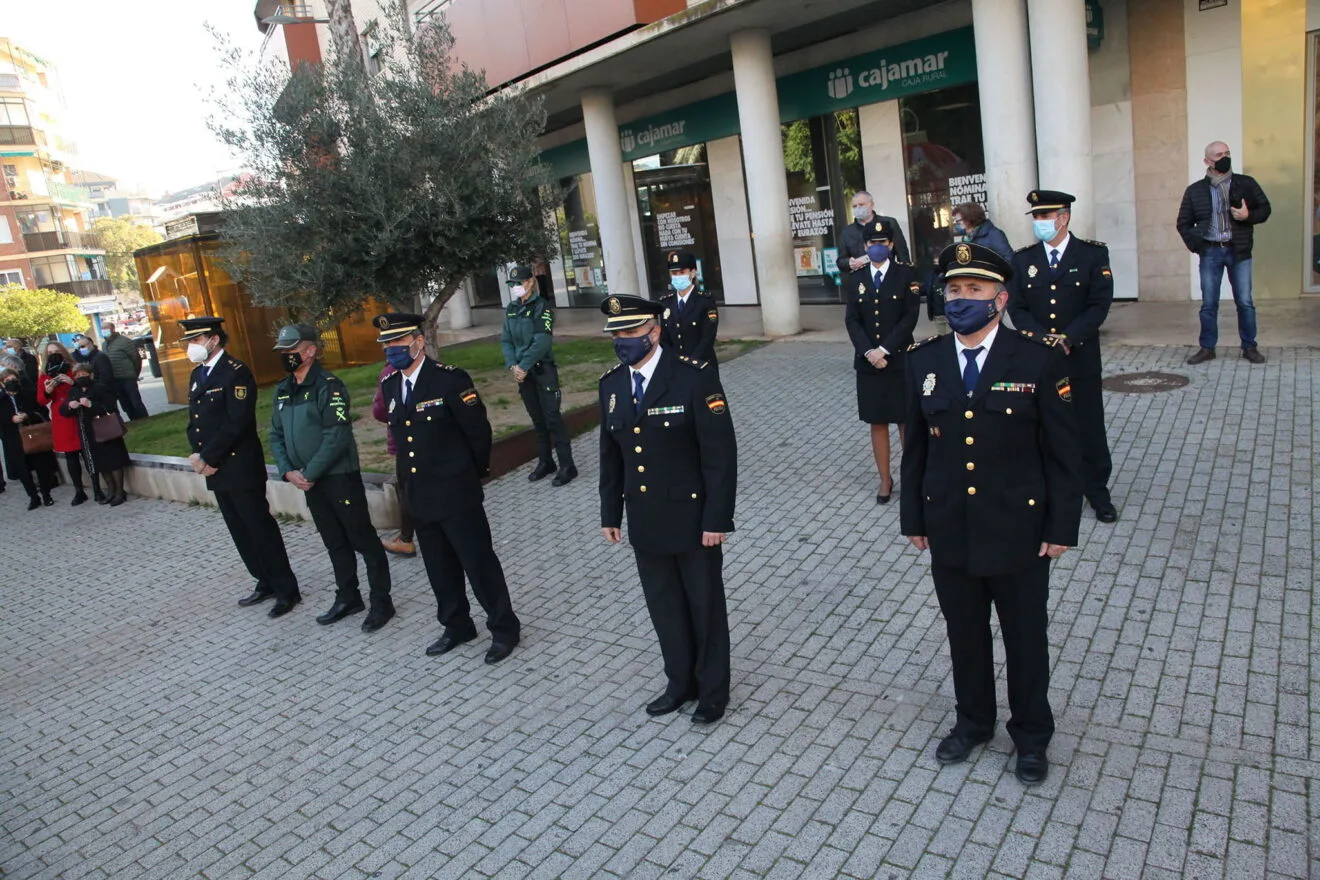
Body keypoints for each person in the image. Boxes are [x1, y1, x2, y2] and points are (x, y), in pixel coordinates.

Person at [901, 241, 1083, 786]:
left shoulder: (1038, 358)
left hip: (1019, 530)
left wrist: (1061, 527)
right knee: (964, 633)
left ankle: (1030, 735)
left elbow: (1063, 454)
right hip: (951, 523)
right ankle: (974, 721)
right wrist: (914, 518)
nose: (960, 299)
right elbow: (917, 451)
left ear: (999, 299)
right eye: (954, 290)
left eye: (973, 291)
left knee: (1026, 637)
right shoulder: (924, 361)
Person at [598, 295, 738, 725]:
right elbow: (612, 455)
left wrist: (717, 519)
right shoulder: (612, 385)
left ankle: (713, 691)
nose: (624, 341)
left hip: (694, 520)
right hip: (646, 518)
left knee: (704, 606)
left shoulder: (694, 378)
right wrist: (610, 513)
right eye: (617, 334)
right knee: (665, 608)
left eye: (631, 333)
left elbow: (720, 456)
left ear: (654, 332)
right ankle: (680, 683)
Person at [376, 312, 521, 664]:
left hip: (456, 493)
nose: (392, 349)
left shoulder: (450, 380)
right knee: (439, 568)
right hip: (420, 495)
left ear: (418, 341)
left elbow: (478, 433)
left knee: (479, 564)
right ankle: (457, 625)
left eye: (398, 342)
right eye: (387, 344)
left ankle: (504, 628)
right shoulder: (391, 385)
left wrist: (469, 476)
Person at [269, 323, 394, 631]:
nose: (286, 356)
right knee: (334, 541)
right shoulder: (283, 390)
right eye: (283, 351)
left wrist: (308, 473)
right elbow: (275, 434)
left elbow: (336, 436)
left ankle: (382, 602)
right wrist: (288, 471)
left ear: (310, 351)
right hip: (307, 480)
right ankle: (348, 597)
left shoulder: (329, 385)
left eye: (292, 350)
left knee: (362, 539)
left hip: (338, 477)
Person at [1007, 189, 1117, 523]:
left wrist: (1068, 337)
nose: (1039, 223)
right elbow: (1017, 306)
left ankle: (1096, 491)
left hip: (1078, 356)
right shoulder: (1023, 260)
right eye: (1036, 217)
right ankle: (1048, 491)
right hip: (1041, 359)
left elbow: (1099, 304)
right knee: (1044, 426)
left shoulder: (1091, 255)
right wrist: (1042, 340)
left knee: (1088, 426)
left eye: (1044, 216)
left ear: (1063, 217)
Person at [180, 316, 301, 618]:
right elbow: (196, 421)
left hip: (238, 465)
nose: (190, 347)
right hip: (215, 467)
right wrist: (199, 455)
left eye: (195, 341)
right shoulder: (198, 374)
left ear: (214, 340)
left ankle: (286, 589)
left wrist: (208, 456)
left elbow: (237, 422)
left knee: (259, 527)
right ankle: (264, 580)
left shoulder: (236, 373)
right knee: (238, 529)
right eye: (189, 342)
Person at [845, 216, 922, 504]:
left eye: (882, 242)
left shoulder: (906, 275)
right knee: (877, 422)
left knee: (905, 422)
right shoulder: (856, 278)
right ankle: (884, 479)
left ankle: (910, 478)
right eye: (872, 243)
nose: (877, 247)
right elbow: (852, 321)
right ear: (866, 246)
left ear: (890, 244)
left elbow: (909, 318)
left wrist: (884, 350)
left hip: (899, 359)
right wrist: (868, 352)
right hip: (868, 364)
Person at [1177, 141, 1272, 365]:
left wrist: (1248, 216)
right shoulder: (1195, 191)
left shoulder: (1246, 183)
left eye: (1227, 153)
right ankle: (1207, 348)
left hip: (1238, 251)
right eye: (1219, 154)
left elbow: (1265, 209)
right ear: (1207, 161)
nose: (1225, 157)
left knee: (1245, 301)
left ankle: (1250, 347)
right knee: (1209, 303)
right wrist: (1197, 245)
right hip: (1210, 252)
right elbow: (1183, 223)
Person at [501, 265, 577, 486]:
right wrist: (512, 366)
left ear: (531, 282)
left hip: (542, 371)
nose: (516, 287)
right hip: (523, 374)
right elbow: (506, 340)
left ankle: (567, 465)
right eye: (512, 284)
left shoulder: (541, 307)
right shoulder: (512, 308)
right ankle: (546, 461)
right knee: (537, 420)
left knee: (552, 417)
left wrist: (523, 365)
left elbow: (542, 341)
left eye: (520, 282)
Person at [60, 362, 131, 506]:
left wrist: (91, 405)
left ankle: (119, 491)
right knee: (100, 463)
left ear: (91, 375)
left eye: (83, 374)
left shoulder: (100, 388)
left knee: (114, 460)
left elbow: (110, 407)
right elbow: (63, 411)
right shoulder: (74, 391)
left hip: (105, 429)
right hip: (88, 433)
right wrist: (69, 406)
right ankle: (110, 490)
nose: (80, 377)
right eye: (77, 375)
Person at [38, 341, 100, 505]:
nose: (53, 355)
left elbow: (86, 386)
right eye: (50, 352)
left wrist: (71, 382)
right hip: (62, 417)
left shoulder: (73, 368)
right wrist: (48, 390)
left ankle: (97, 488)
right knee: (70, 457)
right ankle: (79, 491)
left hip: (78, 413)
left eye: (56, 351)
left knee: (87, 453)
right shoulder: (44, 374)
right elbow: (41, 400)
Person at [371, 361, 416, 557]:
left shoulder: (389, 372)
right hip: (431, 443)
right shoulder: (433, 367)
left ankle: (406, 539)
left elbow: (380, 410)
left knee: (407, 491)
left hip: (404, 444)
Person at [0, 367, 57, 509]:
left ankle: (46, 494)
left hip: (33, 436)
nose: (11, 382)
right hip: (13, 439)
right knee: (23, 470)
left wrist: (27, 415)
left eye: (13, 379)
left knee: (41, 466)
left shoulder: (29, 394)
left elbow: (42, 411)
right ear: (2, 383)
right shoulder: (1, 400)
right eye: (7, 380)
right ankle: (33, 497)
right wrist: (10, 418)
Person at [658, 251, 719, 368]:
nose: (677, 276)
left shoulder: (705, 300)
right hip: (676, 366)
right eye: (674, 273)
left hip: (701, 365)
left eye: (682, 272)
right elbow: (664, 339)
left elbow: (708, 337)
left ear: (692, 272)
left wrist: (690, 363)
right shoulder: (666, 302)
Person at [837, 190, 911, 275]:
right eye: (854, 206)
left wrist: (906, 276)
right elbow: (841, 262)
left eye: (861, 205)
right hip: (862, 280)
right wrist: (849, 263)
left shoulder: (889, 223)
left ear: (871, 205)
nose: (858, 208)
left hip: (889, 276)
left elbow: (902, 253)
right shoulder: (847, 232)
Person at [99, 322, 149, 420]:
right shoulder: (104, 344)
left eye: (106, 328)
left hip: (127, 377)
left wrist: (135, 373)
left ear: (113, 329)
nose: (104, 330)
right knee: (125, 404)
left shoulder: (124, 341)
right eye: (102, 328)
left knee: (135, 401)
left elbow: (136, 358)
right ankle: (133, 420)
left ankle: (144, 419)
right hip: (115, 379)